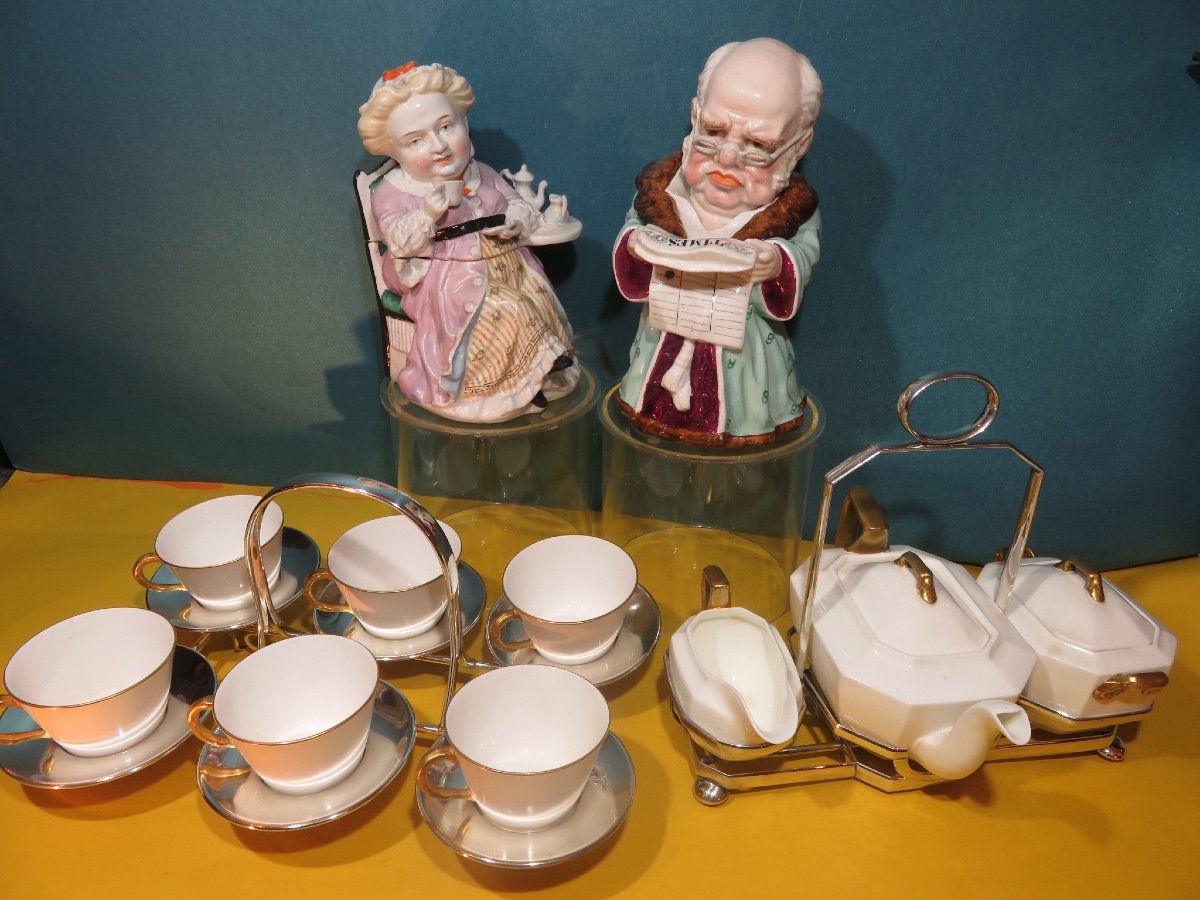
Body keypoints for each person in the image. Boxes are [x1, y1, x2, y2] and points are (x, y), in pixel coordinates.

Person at [613, 38, 822, 446]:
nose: (727, 157)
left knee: (736, 471)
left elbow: (803, 256)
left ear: (798, 146)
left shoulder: (793, 212)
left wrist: (776, 265)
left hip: (743, 358)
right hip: (663, 343)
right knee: (653, 458)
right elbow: (631, 233)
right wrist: (637, 247)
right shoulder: (660, 193)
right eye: (713, 131)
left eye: (758, 146)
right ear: (694, 117)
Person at [358, 62, 578, 423]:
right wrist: (428, 215)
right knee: (507, 307)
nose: (439, 146)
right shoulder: (395, 192)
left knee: (535, 293)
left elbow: (515, 203)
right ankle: (500, 389)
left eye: (446, 127)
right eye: (416, 141)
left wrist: (517, 218)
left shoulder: (483, 172)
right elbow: (398, 239)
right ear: (394, 151)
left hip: (506, 261)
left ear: (464, 123)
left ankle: (540, 375)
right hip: (447, 278)